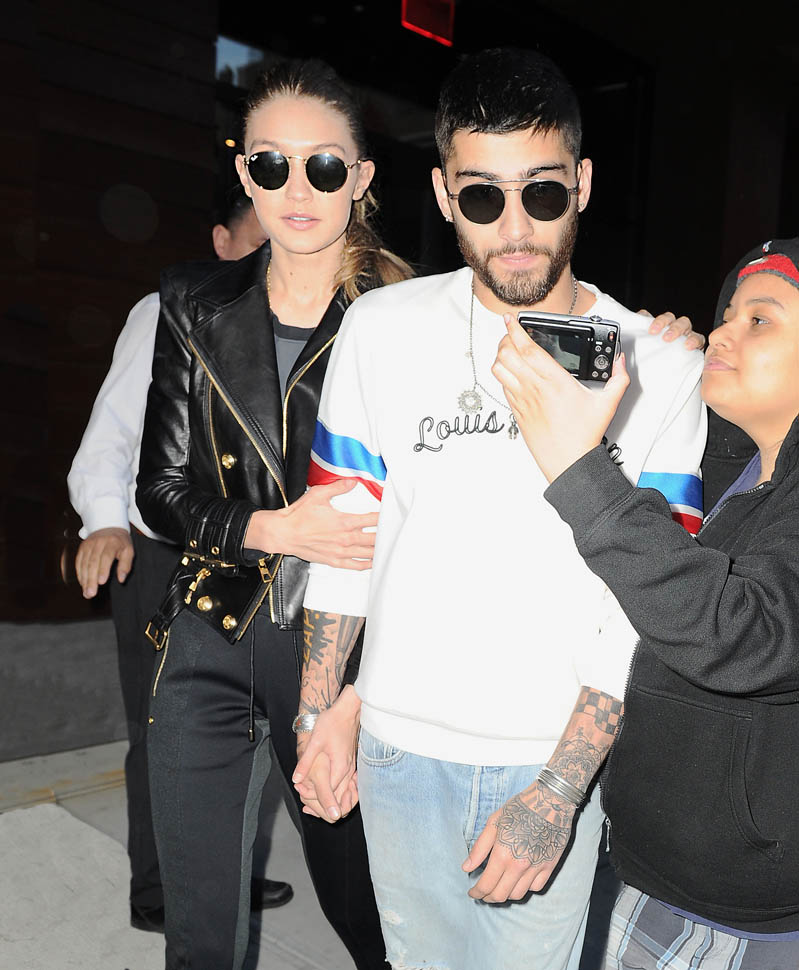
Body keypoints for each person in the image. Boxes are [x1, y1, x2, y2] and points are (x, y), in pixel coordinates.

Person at [292, 48, 706, 970]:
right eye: (482, 197)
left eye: (542, 193)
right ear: (444, 195)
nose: (514, 229)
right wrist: (320, 712)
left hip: (547, 756)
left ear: (582, 184)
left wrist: (558, 789)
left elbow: (645, 609)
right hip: (394, 745)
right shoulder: (381, 329)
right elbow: (344, 535)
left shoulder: (658, 365)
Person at [135, 59, 412, 970]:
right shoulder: (191, 301)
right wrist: (275, 528)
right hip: (209, 627)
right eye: (271, 164)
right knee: (199, 932)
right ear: (245, 174)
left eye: (324, 166)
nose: (298, 189)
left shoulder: (407, 317)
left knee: (366, 911)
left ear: (360, 178)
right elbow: (159, 491)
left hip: (339, 646)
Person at [493, 239, 799, 968]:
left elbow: (745, 636)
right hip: (659, 871)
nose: (722, 331)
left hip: (749, 917)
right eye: (727, 313)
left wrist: (577, 468)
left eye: (760, 320)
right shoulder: (736, 474)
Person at [67, 191, 294, 935]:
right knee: (162, 729)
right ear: (221, 242)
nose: (270, 258)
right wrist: (105, 523)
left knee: (244, 726)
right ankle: (160, 891)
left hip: (255, 556)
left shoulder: (303, 321)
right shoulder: (167, 311)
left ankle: (218, 877)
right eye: (257, 241)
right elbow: (112, 430)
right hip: (164, 554)